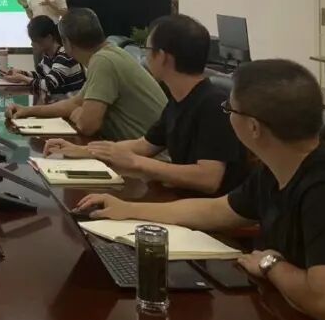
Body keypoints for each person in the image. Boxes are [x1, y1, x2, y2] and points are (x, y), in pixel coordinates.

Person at [75, 59, 325, 320]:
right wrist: (128, 209)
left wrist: (271, 264)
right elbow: (217, 210)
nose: (227, 116)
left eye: (229, 109)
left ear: (254, 127)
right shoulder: (277, 169)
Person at [45, 14, 248, 195]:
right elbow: (143, 145)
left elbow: (209, 178)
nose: (145, 56)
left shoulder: (212, 104)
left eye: (148, 50)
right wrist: (81, 150)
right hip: (182, 198)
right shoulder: (179, 101)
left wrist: (137, 163)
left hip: (208, 212)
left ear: (162, 57)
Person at [6, 8, 165, 141]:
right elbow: (74, 103)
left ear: (67, 43)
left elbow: (87, 126)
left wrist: (77, 113)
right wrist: (27, 110)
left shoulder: (103, 61)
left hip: (152, 159)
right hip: (134, 151)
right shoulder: (108, 54)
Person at [0, 15, 84, 95]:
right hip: (58, 101)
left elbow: (48, 84)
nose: (32, 44)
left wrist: (22, 78)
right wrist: (21, 72)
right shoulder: (48, 55)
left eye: (35, 41)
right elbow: (40, 75)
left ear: (49, 38)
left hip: (69, 103)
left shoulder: (64, 56)